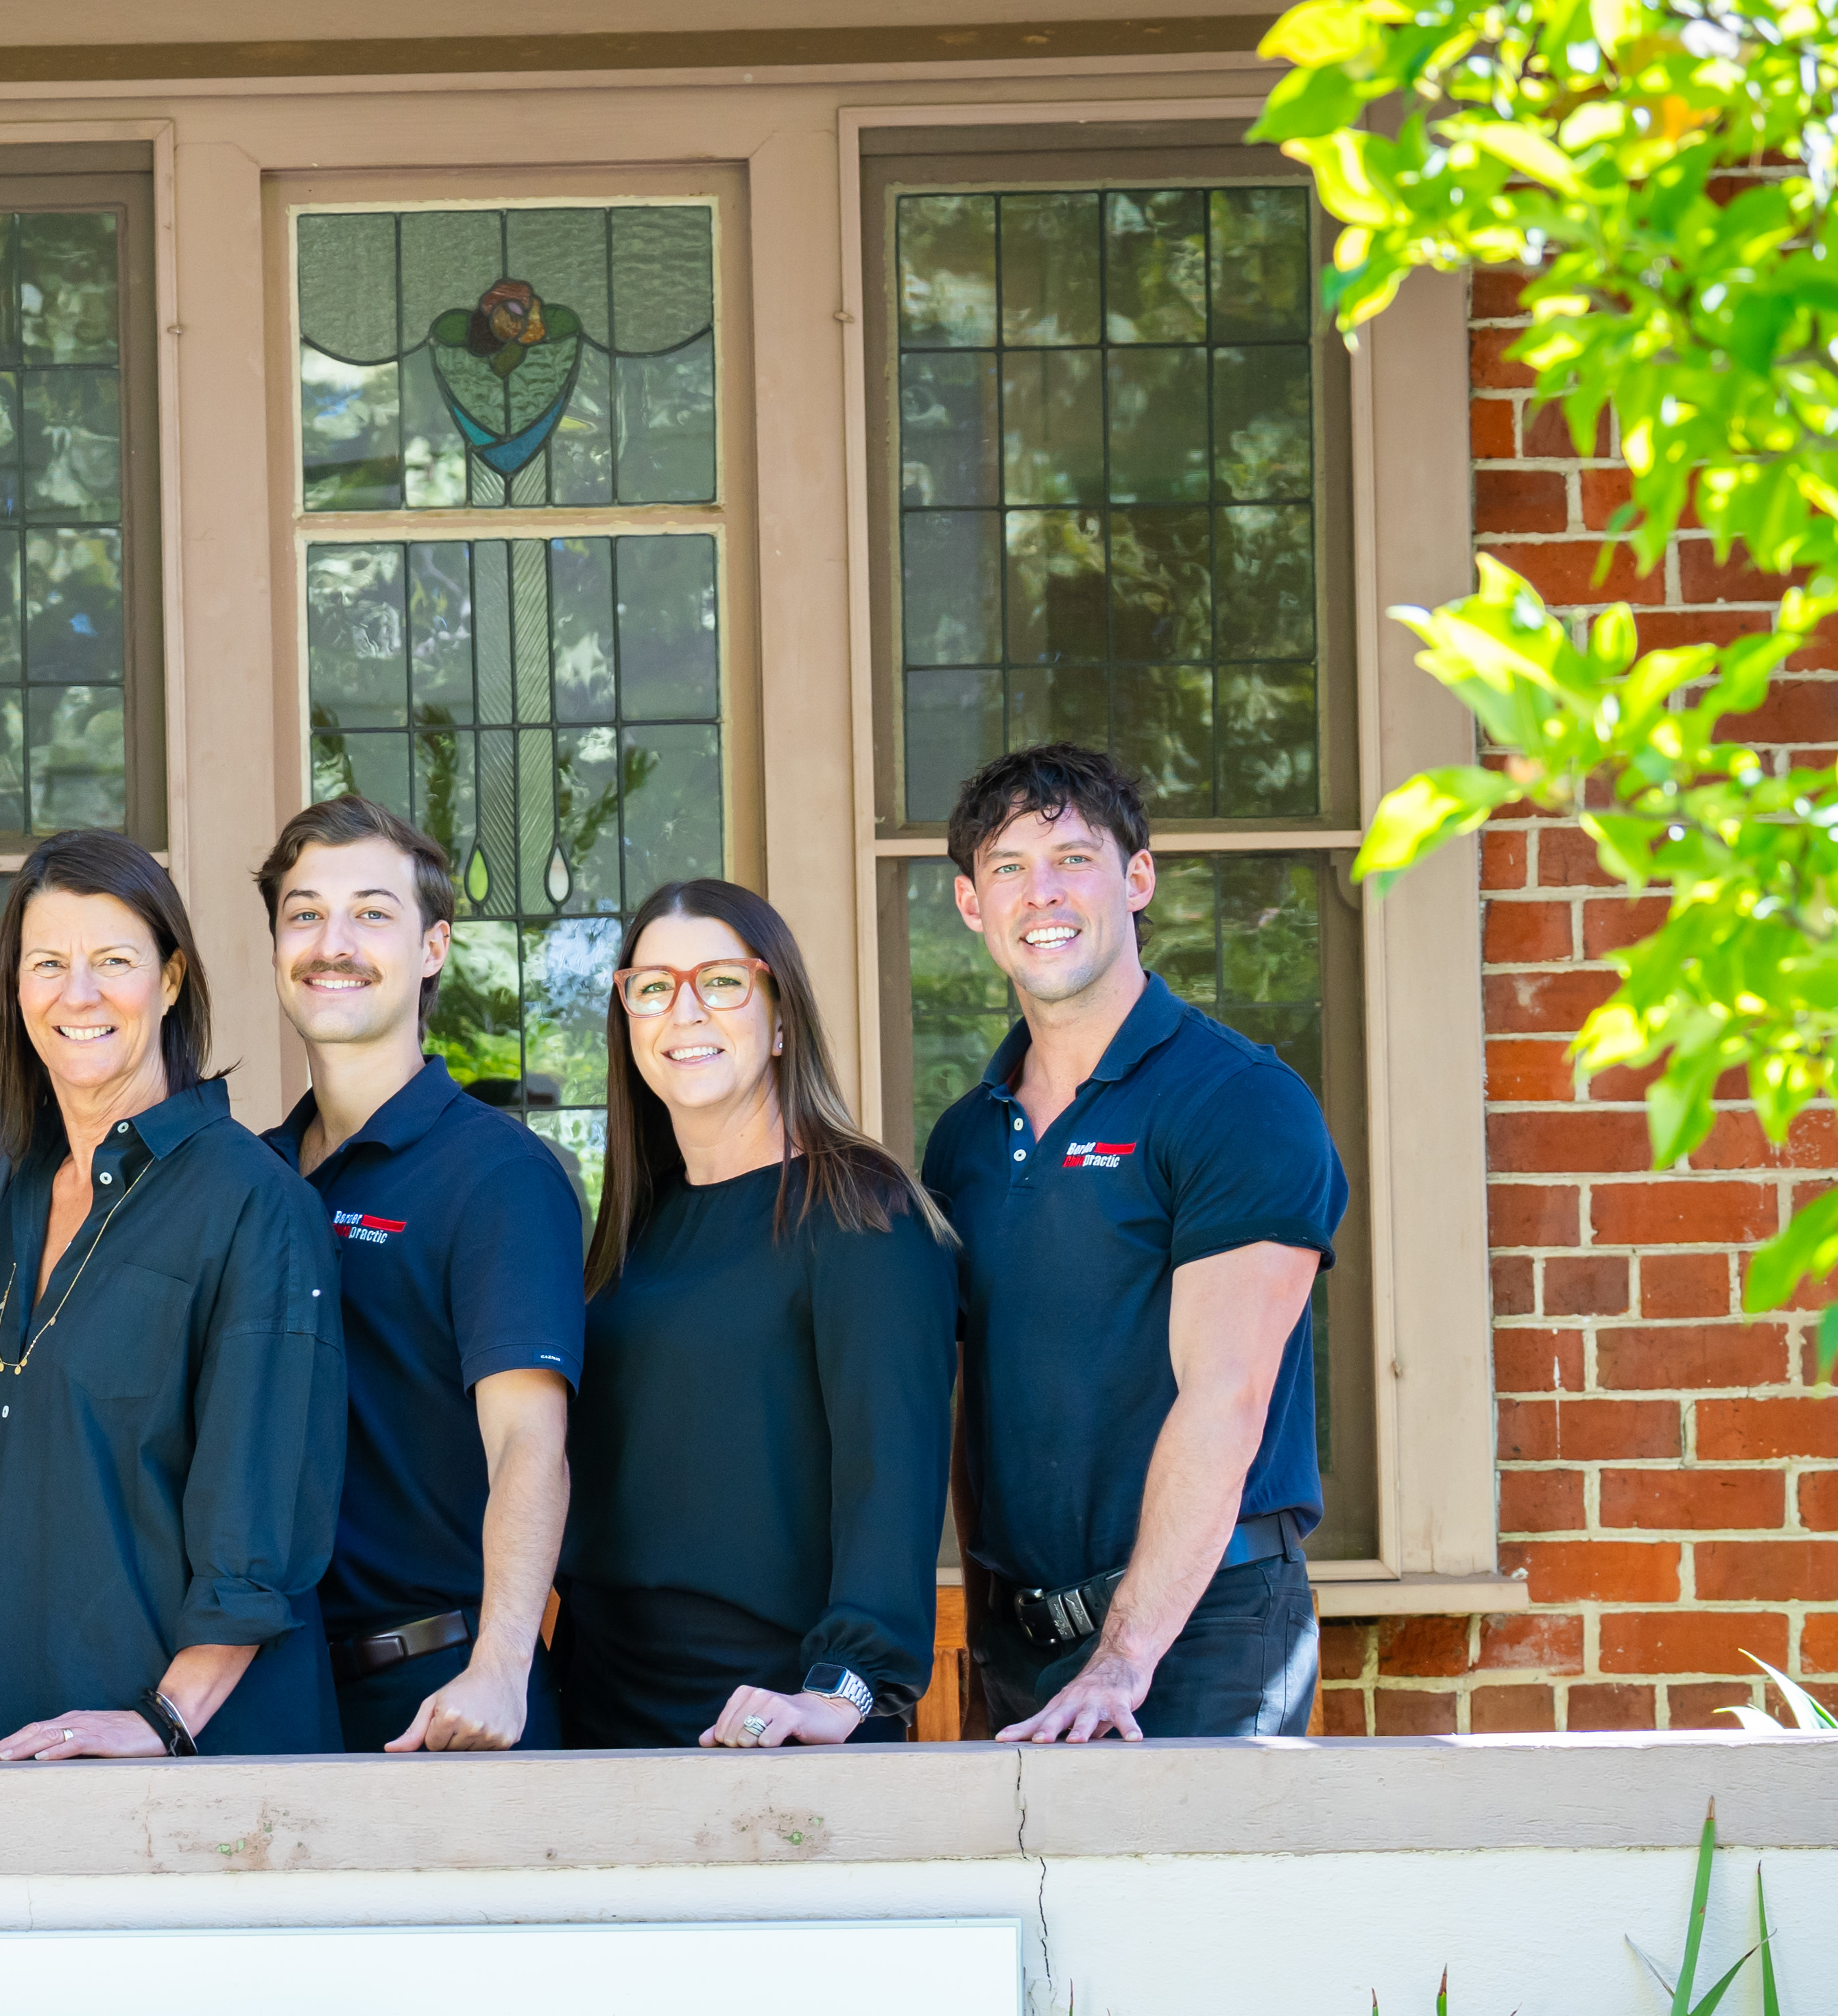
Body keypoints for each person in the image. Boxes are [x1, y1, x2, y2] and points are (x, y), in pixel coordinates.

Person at [918, 743, 1350, 1740]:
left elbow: (1226, 1394)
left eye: (1072, 858)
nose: (1042, 894)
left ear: (1137, 877)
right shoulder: (968, 1136)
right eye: (1008, 868)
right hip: (1020, 1643)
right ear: (970, 904)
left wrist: (1120, 1662)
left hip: (1196, 1637)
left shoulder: (1235, 1102)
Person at [0, 831, 345, 1762]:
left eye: (111, 961)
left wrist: (160, 1722)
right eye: (47, 964)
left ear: (167, 981)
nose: (76, 994)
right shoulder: (22, 1196)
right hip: (8, 1737)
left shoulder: (253, 1204)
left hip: (181, 1763)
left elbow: (261, 1521)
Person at [556, 881, 959, 1749]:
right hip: (597, 1707)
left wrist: (843, 1691)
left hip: (774, 1716)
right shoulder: (636, 1226)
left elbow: (890, 1475)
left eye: (723, 982)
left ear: (781, 1020)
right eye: (653, 987)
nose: (684, 1011)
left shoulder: (862, 1212)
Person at [261, 797, 586, 1753]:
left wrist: (498, 1668)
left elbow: (529, 1438)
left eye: (371, 913)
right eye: (303, 913)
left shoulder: (497, 1175)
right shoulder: (252, 1174)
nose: (333, 942)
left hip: (437, 1700)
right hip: (273, 1694)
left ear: (433, 947)